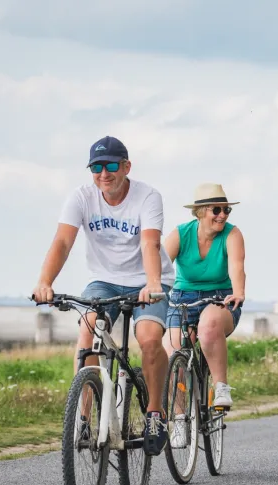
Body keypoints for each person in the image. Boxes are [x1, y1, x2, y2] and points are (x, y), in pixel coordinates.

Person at [32, 135, 175, 456]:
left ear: (126, 166)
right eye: (96, 167)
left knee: (149, 337)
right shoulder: (81, 198)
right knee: (88, 329)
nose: (104, 173)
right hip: (105, 281)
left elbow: (149, 243)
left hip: (150, 281)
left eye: (111, 165)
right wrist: (45, 282)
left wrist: (152, 283)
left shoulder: (147, 196)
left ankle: (155, 413)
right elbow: (62, 243)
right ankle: (82, 418)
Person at [163, 182, 246, 429]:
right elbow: (161, 267)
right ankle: (178, 419)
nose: (222, 215)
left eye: (226, 210)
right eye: (216, 210)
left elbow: (237, 267)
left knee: (208, 326)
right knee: (173, 353)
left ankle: (221, 387)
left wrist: (239, 292)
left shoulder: (232, 234)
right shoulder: (180, 234)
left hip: (221, 297)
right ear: (200, 212)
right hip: (181, 298)